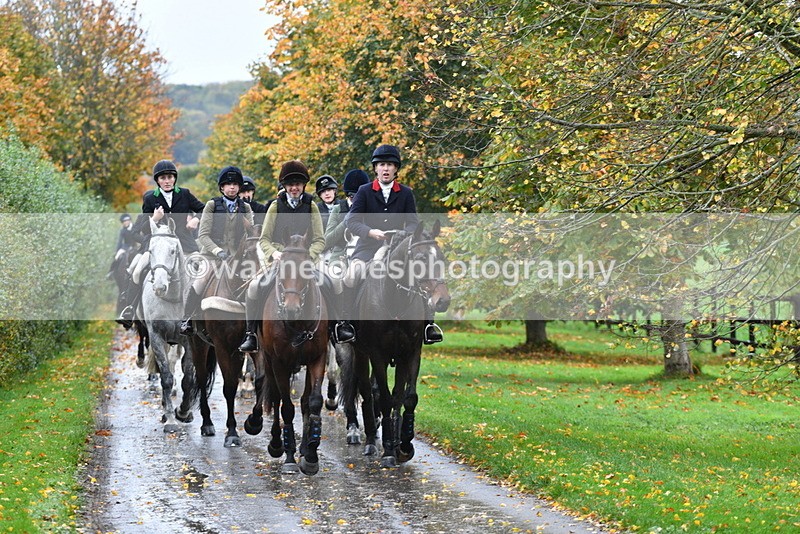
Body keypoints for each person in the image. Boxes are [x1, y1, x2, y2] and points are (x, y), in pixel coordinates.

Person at [342, 144, 443, 344]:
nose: (385, 169)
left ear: (396, 168)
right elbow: (351, 221)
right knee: (351, 276)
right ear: (375, 168)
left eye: (389, 165)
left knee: (420, 273)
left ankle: (428, 326)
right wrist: (370, 232)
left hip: (398, 248)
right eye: (381, 165)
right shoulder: (364, 191)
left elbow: (413, 222)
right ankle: (347, 324)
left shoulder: (405, 193)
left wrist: (401, 234)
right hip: (368, 248)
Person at [238, 160, 325, 353]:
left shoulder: (312, 207)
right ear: (284, 186)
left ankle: (338, 328)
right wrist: (275, 253)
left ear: (303, 186)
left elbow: (319, 240)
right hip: (280, 261)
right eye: (290, 184)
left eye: (298, 184)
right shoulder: (275, 207)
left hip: (307, 261)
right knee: (254, 288)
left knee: (334, 284)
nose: (294, 188)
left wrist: (307, 256)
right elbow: (264, 240)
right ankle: (251, 334)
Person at [116, 159, 205, 326]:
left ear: (174, 178)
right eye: (163, 178)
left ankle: (202, 312)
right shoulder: (150, 198)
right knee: (136, 271)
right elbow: (142, 228)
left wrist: (196, 220)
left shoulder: (185, 194)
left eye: (170, 177)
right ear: (157, 180)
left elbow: (204, 208)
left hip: (184, 244)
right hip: (156, 246)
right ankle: (129, 309)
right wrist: (154, 219)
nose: (167, 181)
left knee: (203, 270)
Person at [180, 166, 254, 335]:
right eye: (228, 184)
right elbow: (203, 235)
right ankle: (188, 318)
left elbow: (250, 235)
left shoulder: (246, 208)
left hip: (238, 258)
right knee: (200, 282)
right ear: (222, 187)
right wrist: (218, 251)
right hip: (212, 256)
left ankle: (253, 328)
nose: (232, 187)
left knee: (255, 284)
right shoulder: (212, 205)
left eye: (235, 184)